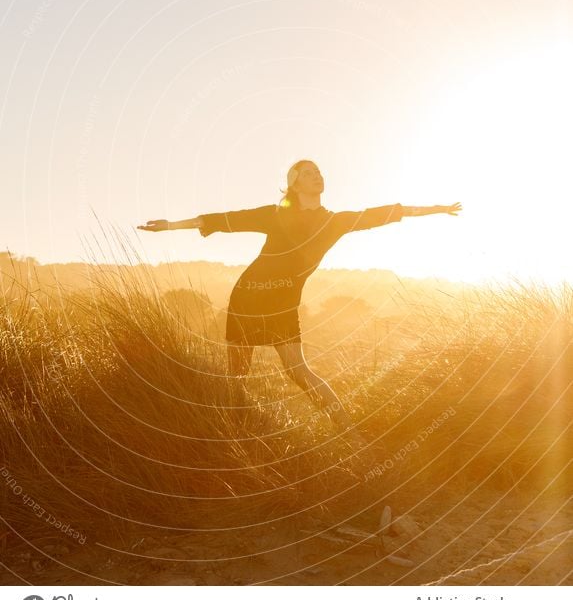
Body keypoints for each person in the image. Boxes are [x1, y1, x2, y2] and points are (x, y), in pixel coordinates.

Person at [138, 160, 462, 430]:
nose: (317, 175)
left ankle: (346, 430)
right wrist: (169, 226)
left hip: (283, 303)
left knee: (298, 372)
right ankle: (231, 433)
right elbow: (224, 220)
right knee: (237, 374)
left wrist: (440, 209)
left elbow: (389, 213)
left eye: (319, 171)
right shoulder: (275, 214)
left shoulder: (334, 222)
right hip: (248, 296)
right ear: (293, 183)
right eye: (308, 172)